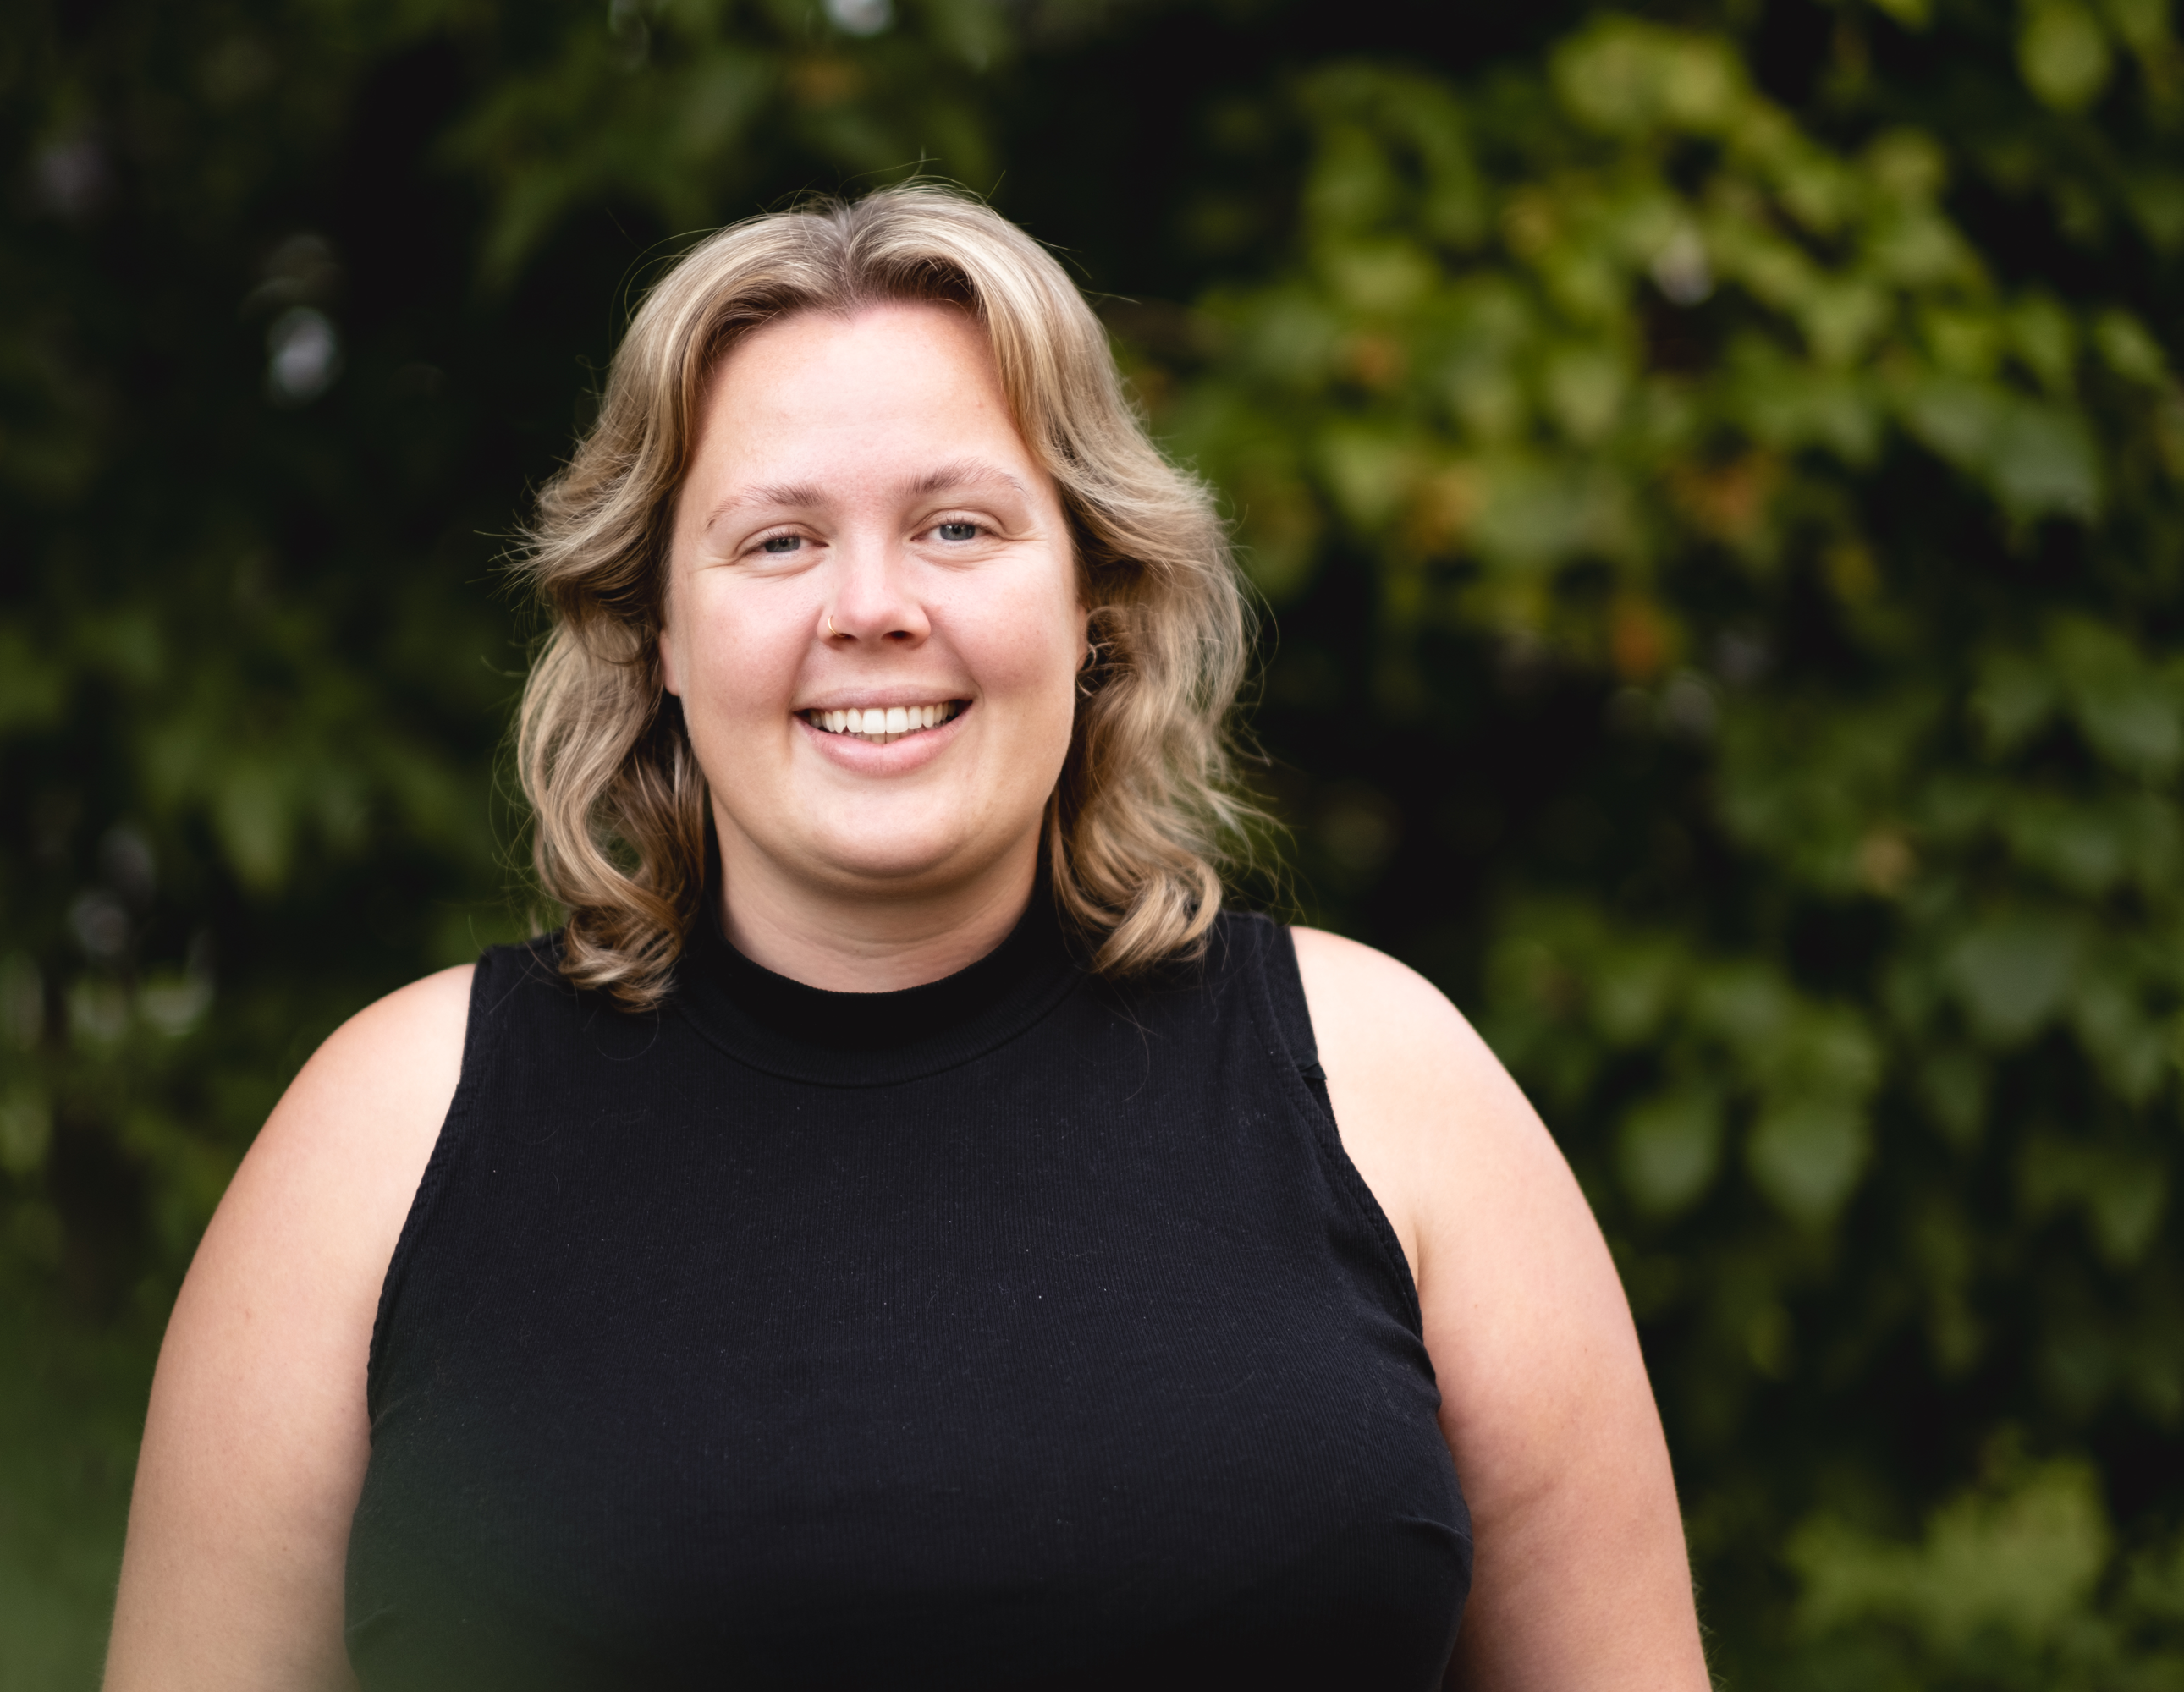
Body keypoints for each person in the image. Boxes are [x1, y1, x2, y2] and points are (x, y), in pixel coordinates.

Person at [103, 184, 1710, 1690]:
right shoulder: (385, 1133)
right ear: (655, 626)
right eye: (779, 539)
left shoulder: (1389, 1087)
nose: (872, 606)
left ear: (1093, 599)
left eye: (957, 527)